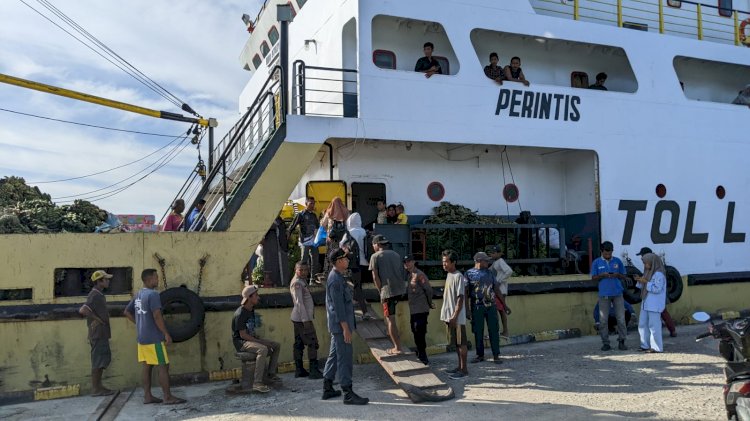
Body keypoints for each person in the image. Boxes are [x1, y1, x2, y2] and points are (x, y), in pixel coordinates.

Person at [124, 269, 186, 405]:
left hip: (142, 338)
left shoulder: (138, 294)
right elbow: (157, 316)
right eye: (156, 277)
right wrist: (165, 333)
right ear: (150, 279)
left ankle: (147, 396)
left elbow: (127, 312)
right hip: (154, 338)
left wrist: (140, 323)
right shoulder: (153, 295)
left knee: (147, 366)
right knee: (163, 366)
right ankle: (167, 397)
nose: (158, 280)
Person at [322, 248, 369, 405]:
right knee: (345, 359)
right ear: (338, 261)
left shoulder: (338, 277)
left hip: (338, 326)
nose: (348, 261)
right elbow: (338, 307)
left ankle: (327, 387)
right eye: (345, 259)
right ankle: (348, 393)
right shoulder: (335, 279)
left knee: (335, 356)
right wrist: (345, 328)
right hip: (341, 326)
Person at [232, 285, 282, 393]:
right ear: (249, 298)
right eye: (256, 295)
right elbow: (243, 335)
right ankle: (257, 382)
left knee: (276, 345)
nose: (258, 298)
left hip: (251, 340)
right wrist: (260, 342)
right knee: (263, 349)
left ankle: (270, 374)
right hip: (242, 343)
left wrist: (260, 340)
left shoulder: (251, 309)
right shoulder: (240, 314)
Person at [78, 270, 115, 396]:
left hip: (101, 333)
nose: (108, 281)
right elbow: (83, 310)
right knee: (98, 361)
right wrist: (97, 319)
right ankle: (96, 388)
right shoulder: (95, 295)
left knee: (101, 360)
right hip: (98, 334)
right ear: (99, 281)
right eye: (106, 279)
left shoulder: (98, 294)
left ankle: (98, 387)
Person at [465, 252, 505, 365]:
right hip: (477, 306)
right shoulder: (469, 274)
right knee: (478, 331)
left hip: (491, 306)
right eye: (485, 260)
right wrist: (467, 310)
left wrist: (504, 305)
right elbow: (465, 292)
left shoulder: (490, 273)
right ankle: (480, 355)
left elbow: (496, 289)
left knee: (494, 330)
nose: (488, 262)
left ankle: (496, 355)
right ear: (478, 261)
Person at [369, 234, 407, 355]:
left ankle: (398, 348)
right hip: (400, 290)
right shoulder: (396, 255)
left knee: (391, 319)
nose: (373, 247)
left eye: (373, 244)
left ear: (378, 244)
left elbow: (375, 277)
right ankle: (389, 333)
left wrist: (381, 291)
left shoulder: (375, 256)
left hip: (388, 291)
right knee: (390, 317)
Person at [590, 241, 628, 351]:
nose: (608, 256)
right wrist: (601, 275)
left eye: (610, 253)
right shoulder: (596, 262)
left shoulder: (617, 261)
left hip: (617, 293)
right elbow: (593, 277)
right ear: (602, 251)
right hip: (604, 294)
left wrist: (617, 275)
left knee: (621, 318)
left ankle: (622, 341)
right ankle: (605, 342)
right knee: (603, 320)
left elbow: (624, 276)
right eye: (606, 254)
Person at [289, 262, 323, 379]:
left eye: (305, 270)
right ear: (295, 270)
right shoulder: (297, 283)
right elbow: (299, 303)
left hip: (298, 318)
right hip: (302, 319)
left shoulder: (300, 281)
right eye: (301, 270)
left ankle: (299, 370)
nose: (303, 272)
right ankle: (313, 370)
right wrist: (305, 320)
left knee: (299, 343)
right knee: (312, 342)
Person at [440, 249, 469, 379]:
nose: (444, 264)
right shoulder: (449, 275)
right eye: (443, 262)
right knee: (456, 344)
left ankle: (464, 370)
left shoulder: (458, 276)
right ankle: (459, 367)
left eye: (446, 262)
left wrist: (454, 316)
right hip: (451, 316)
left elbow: (460, 298)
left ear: (453, 262)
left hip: (457, 317)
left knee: (461, 343)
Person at [636, 247, 676, 337]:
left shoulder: (655, 265)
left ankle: (672, 330)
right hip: (649, 295)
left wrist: (645, 282)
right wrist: (640, 280)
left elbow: (657, 285)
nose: (641, 257)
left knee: (663, 312)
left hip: (657, 294)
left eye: (642, 255)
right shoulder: (648, 265)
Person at [635, 253, 667, 353]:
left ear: (652, 263)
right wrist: (639, 280)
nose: (645, 265)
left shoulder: (659, 274)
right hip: (645, 303)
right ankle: (644, 345)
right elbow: (642, 287)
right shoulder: (647, 272)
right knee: (642, 324)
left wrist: (645, 282)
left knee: (654, 326)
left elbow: (657, 289)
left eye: (646, 263)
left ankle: (656, 347)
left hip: (654, 304)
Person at [404, 255, 433, 365]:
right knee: (415, 331)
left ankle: (423, 355)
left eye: (409, 261)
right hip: (414, 309)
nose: (407, 264)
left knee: (420, 332)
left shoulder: (419, 274)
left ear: (414, 262)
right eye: (405, 262)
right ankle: (420, 352)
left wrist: (429, 303)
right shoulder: (410, 275)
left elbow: (429, 290)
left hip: (421, 309)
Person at [341, 212, 368, 316]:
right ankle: (356, 299)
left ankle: (364, 310)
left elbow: (341, 244)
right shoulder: (364, 231)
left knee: (357, 285)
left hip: (354, 262)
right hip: (365, 261)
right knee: (358, 282)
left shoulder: (350, 232)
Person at [288, 197, 320, 282]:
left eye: (313, 203)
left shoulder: (314, 215)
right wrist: (288, 234)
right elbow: (293, 225)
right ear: (306, 204)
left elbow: (317, 228)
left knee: (315, 260)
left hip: (313, 241)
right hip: (304, 241)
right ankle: (301, 279)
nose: (313, 205)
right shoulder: (301, 214)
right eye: (311, 203)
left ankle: (312, 279)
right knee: (303, 261)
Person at [488, 245, 513, 336]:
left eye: (494, 253)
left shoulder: (500, 261)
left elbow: (509, 271)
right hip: (497, 290)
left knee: (501, 310)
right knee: (500, 310)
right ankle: (503, 331)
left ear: (499, 253)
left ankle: (505, 331)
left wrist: (499, 281)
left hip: (500, 290)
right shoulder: (495, 263)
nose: (492, 254)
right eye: (491, 253)